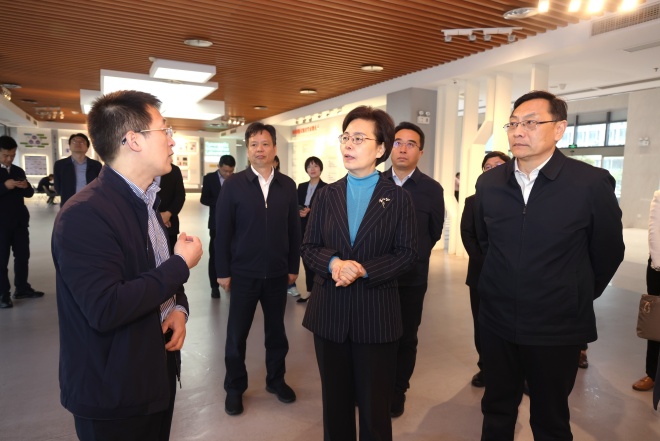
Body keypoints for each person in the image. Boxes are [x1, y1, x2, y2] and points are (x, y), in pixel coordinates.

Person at [51, 90, 203, 441]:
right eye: (164, 130)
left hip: (154, 375)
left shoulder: (147, 202)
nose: (172, 140)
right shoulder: (84, 215)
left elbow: (155, 270)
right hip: (113, 392)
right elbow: (106, 306)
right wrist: (181, 264)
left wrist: (178, 308)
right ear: (134, 140)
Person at [474, 90, 624, 440]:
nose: (518, 131)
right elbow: (485, 242)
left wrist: (571, 290)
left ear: (559, 129)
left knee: (550, 418)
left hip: (557, 325)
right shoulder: (490, 183)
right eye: (513, 123)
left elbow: (607, 252)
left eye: (530, 123)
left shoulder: (590, 183)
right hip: (497, 320)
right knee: (496, 409)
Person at [301, 106, 417, 441]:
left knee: (374, 409)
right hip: (329, 315)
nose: (348, 145)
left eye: (359, 138)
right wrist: (334, 264)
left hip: (375, 316)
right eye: (346, 137)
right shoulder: (326, 195)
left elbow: (407, 253)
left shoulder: (397, 198)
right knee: (335, 407)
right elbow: (309, 246)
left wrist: (364, 269)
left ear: (381, 149)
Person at [215, 122, 301, 416]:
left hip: (277, 274)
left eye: (265, 144)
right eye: (254, 144)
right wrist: (223, 271)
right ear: (247, 149)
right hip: (243, 274)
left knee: (277, 333)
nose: (259, 149)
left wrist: (293, 266)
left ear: (274, 148)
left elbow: (294, 230)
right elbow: (222, 231)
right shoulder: (234, 185)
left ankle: (276, 380)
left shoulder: (287, 185)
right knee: (236, 335)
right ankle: (234, 388)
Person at [382, 121, 444, 417]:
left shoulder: (432, 189)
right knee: (373, 335)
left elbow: (433, 232)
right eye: (398, 142)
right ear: (388, 147)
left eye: (410, 144)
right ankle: (373, 386)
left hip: (411, 278)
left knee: (406, 337)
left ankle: (397, 390)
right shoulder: (373, 183)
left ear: (421, 152)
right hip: (374, 278)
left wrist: (412, 257)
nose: (403, 149)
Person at [461, 151, 511, 388]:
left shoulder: (521, 198)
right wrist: (487, 264)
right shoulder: (472, 201)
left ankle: (517, 372)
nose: (492, 170)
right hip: (481, 275)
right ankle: (486, 368)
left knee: (514, 324)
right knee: (482, 324)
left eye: (498, 165)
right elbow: (468, 235)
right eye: (487, 167)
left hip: (515, 276)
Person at [0, 135, 44, 309]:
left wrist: (26, 187)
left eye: (12, 155)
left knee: (22, 256)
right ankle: (3, 294)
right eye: (5, 155)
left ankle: (22, 288)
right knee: (2, 260)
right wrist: (4, 186)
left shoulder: (18, 170)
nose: (9, 159)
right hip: (1, 225)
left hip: (19, 222)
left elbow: (29, 194)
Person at [632, 190, 660, 392]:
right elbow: (655, 233)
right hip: (659, 268)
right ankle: (652, 373)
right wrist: (658, 265)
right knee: (656, 322)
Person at [200, 154, 235, 298]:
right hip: (216, 224)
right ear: (219, 167)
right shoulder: (209, 178)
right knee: (215, 254)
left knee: (233, 253)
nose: (228, 174)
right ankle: (214, 286)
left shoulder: (236, 179)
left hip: (234, 224)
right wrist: (221, 202)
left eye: (231, 171)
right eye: (225, 171)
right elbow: (204, 199)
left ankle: (232, 283)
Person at [294, 156, 327, 303]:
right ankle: (309, 290)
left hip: (317, 228)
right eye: (309, 166)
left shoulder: (326, 187)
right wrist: (299, 211)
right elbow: (294, 204)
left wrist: (311, 211)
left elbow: (327, 208)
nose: (312, 169)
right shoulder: (301, 186)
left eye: (315, 166)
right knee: (305, 258)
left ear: (320, 168)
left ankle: (319, 292)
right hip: (301, 225)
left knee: (317, 260)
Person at [53, 133, 102, 207]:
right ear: (69, 146)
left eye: (82, 142)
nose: (78, 143)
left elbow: (100, 186)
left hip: (91, 204)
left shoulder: (96, 165)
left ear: (87, 147)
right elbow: (57, 187)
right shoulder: (60, 165)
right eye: (74, 141)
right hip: (68, 204)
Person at [158, 163, 186, 255]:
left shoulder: (174, 170)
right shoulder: (141, 167)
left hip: (169, 224)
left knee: (169, 255)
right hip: (145, 223)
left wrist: (168, 214)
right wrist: (157, 217)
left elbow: (180, 196)